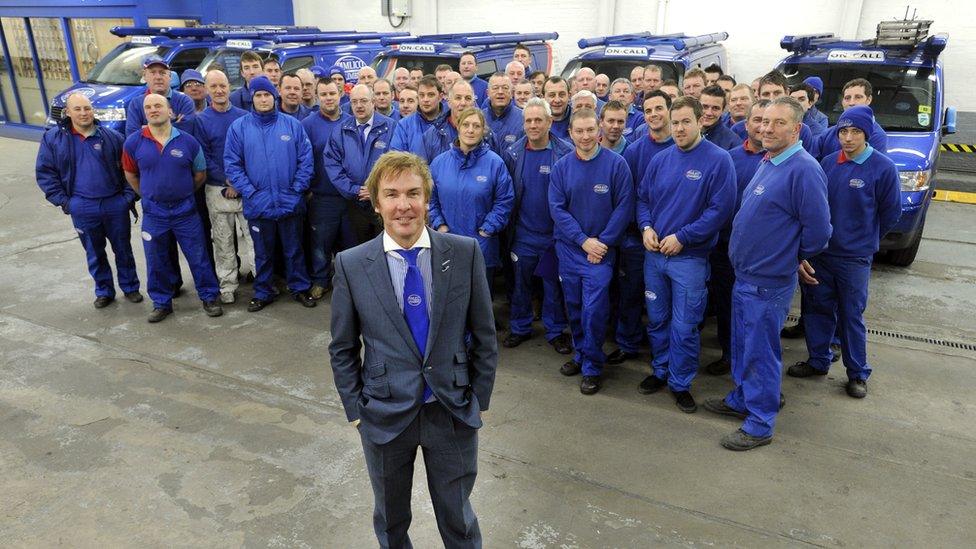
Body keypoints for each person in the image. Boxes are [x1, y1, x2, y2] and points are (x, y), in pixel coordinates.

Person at [328, 152, 497, 548]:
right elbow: (342, 346)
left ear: (427, 197)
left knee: (459, 519)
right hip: (384, 416)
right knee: (390, 521)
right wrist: (357, 411)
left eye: (413, 193)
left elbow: (485, 335)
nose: (403, 205)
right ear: (375, 201)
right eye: (391, 194)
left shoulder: (464, 253)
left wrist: (478, 399)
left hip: (451, 410)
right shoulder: (351, 264)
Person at [702, 97, 831, 451]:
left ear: (796, 129)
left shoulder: (804, 169)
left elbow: (819, 231)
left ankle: (759, 423)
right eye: (764, 122)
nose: (766, 128)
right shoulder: (770, 160)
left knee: (761, 351)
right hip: (746, 276)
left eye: (777, 123)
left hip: (767, 281)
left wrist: (791, 256)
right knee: (744, 343)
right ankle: (742, 398)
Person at [787, 105, 901, 399]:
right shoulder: (826, 163)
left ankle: (857, 373)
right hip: (821, 255)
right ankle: (818, 360)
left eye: (855, 131)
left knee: (851, 316)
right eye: (843, 131)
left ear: (867, 134)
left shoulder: (882, 168)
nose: (848, 138)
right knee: (816, 308)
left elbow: (890, 213)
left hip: (854, 259)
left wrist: (865, 239)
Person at [635, 96, 735, 412]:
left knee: (684, 325)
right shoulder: (660, 160)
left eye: (685, 122)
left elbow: (720, 210)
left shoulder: (719, 161)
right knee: (657, 319)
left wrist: (683, 237)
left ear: (700, 121)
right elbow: (643, 200)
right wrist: (646, 227)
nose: (679, 128)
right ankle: (661, 370)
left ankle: (680, 382)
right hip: (655, 257)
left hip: (689, 259)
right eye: (675, 122)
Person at [549, 108, 634, 395]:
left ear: (598, 130)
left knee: (594, 310)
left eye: (589, 130)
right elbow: (557, 209)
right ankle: (580, 353)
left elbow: (624, 207)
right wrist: (583, 240)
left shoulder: (616, 165)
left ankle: (592, 367)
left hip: (601, 252)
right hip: (571, 250)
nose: (585, 136)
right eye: (579, 131)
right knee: (573, 306)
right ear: (570, 133)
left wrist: (602, 243)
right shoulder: (561, 168)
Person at [36, 92, 141, 309]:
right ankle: (104, 290)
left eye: (87, 108)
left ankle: (130, 287)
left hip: (114, 204)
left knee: (123, 249)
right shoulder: (54, 139)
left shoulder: (112, 138)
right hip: (81, 206)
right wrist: (66, 202)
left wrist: (127, 198)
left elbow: (130, 171)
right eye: (78, 109)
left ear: (93, 110)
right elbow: (46, 173)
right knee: (94, 251)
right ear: (68, 112)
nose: (84, 113)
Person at [122, 93, 222, 322]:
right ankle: (161, 302)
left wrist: (183, 192)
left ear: (170, 111)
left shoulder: (188, 141)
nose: (153, 110)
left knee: (198, 256)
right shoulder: (133, 142)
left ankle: (209, 297)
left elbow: (200, 174)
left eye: (158, 105)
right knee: (156, 259)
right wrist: (147, 194)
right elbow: (130, 173)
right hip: (154, 213)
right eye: (149, 107)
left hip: (185, 212)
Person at [223, 76, 317, 312]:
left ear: (274, 96)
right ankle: (263, 291)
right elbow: (232, 165)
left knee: (294, 249)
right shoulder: (239, 128)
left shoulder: (292, 126)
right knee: (262, 253)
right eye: (258, 95)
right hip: (258, 203)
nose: (263, 99)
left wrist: (297, 190)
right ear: (252, 99)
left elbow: (306, 159)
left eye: (266, 94)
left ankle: (300, 287)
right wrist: (251, 193)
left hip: (290, 201)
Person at [501, 98, 574, 355]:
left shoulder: (565, 152)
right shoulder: (512, 153)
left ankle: (555, 331)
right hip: (523, 234)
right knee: (521, 284)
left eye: (538, 120)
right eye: (528, 120)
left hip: (555, 235)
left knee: (553, 284)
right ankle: (520, 327)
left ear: (549, 122)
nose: (533, 125)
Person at [703, 99, 768, 377]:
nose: (763, 127)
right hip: (726, 248)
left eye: (770, 121)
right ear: (747, 123)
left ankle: (755, 370)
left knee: (759, 317)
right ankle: (729, 356)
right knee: (727, 305)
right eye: (758, 120)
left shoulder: (787, 163)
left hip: (763, 256)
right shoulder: (730, 158)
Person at [610, 90, 674, 364]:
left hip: (675, 242)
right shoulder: (635, 151)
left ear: (670, 110)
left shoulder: (682, 147)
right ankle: (628, 342)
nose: (653, 115)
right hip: (638, 238)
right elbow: (630, 196)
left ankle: (668, 354)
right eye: (648, 111)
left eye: (659, 108)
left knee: (671, 304)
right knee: (631, 294)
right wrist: (643, 228)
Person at [429, 107, 514, 291]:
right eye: (466, 124)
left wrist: (487, 230)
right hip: (447, 243)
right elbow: (430, 200)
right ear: (457, 127)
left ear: (483, 130)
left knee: (480, 300)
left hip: (482, 245)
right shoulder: (439, 163)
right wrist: (440, 226)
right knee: (450, 299)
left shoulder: (495, 163)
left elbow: (504, 201)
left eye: (476, 126)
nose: (470, 130)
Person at [195, 70, 252, 304]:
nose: (219, 91)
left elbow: (250, 151)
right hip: (216, 189)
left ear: (230, 87)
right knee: (223, 241)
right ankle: (227, 284)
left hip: (246, 188)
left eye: (223, 86)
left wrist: (239, 182)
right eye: (214, 86)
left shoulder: (244, 117)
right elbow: (203, 156)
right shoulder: (200, 120)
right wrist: (227, 181)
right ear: (207, 89)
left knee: (254, 239)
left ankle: (263, 281)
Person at [325, 83, 398, 245]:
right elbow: (333, 165)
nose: (359, 106)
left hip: (384, 203)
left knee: (386, 248)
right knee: (359, 252)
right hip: (354, 204)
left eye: (364, 101)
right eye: (354, 101)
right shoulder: (340, 130)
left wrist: (376, 190)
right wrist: (355, 190)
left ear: (373, 102)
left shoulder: (391, 127)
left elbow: (396, 164)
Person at [302, 78, 353, 299]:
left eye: (332, 93)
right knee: (321, 244)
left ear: (340, 93)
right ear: (316, 96)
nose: (328, 98)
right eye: (323, 94)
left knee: (350, 244)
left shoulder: (352, 122)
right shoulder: (307, 125)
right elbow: (303, 159)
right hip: (322, 196)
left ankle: (350, 283)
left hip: (350, 197)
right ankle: (320, 281)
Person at [422, 80, 498, 163]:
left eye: (468, 98)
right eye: (458, 98)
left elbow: (496, 168)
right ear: (449, 102)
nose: (463, 103)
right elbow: (425, 171)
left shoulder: (487, 134)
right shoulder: (432, 135)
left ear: (473, 103)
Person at [813, 78, 888, 159]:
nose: (851, 103)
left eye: (858, 97)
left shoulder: (878, 136)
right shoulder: (828, 134)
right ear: (842, 102)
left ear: (869, 100)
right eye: (847, 98)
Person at [124, 55, 194, 136]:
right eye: (153, 72)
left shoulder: (184, 102)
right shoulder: (136, 104)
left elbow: (185, 134)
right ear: (144, 76)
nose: (158, 77)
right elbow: (132, 136)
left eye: (162, 73)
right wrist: (174, 126)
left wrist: (145, 129)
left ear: (170, 76)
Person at [390, 76, 447, 158]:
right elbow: (396, 159)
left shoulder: (450, 122)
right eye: (422, 95)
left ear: (440, 97)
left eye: (430, 95)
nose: (425, 99)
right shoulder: (404, 125)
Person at [483, 72, 524, 149]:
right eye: (495, 88)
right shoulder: (479, 119)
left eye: (505, 88)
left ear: (512, 93)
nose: (500, 92)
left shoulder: (523, 119)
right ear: (487, 93)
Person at [700, 84, 739, 150]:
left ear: (723, 111)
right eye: (705, 107)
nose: (709, 113)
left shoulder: (733, 143)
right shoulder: (686, 134)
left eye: (715, 108)